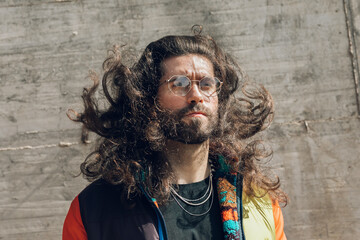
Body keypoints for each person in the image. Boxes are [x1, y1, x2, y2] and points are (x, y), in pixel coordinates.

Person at [63, 27, 288, 240]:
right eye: (179, 83)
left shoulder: (258, 198)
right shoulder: (92, 210)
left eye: (207, 84)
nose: (196, 95)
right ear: (148, 101)